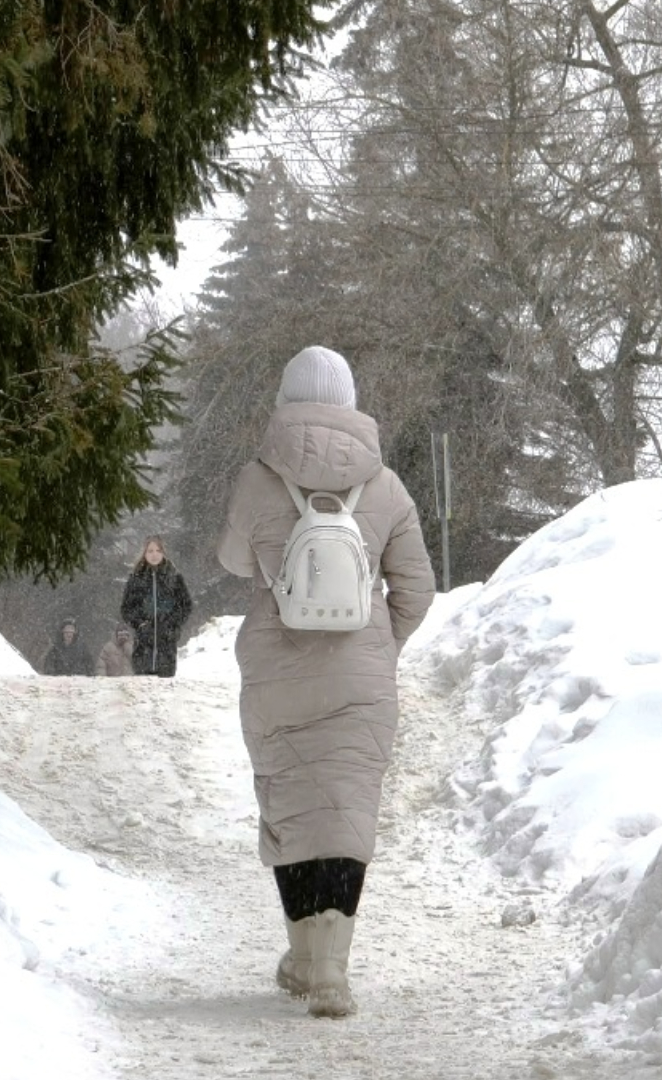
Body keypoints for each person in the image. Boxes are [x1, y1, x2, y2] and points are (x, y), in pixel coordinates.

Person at [215, 345, 436, 1018]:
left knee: (291, 808)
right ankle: (332, 971)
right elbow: (419, 589)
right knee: (346, 811)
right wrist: (377, 645)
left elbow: (231, 560)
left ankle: (303, 957)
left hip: (278, 671)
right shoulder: (389, 487)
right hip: (362, 673)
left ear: (284, 402)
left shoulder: (257, 480)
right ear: (350, 404)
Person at [119, 537, 192, 677]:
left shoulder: (174, 577)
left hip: (167, 644)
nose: (154, 554)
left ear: (164, 553)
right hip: (143, 645)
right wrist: (140, 623)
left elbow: (186, 605)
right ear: (144, 553)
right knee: (143, 689)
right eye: (150, 550)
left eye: (158, 550)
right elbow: (126, 608)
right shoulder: (136, 578)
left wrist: (172, 623)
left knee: (164, 688)